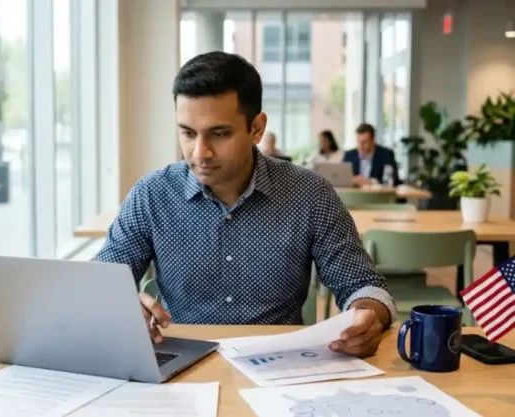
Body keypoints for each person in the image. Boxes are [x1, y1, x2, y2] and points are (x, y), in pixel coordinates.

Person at [94, 51, 396, 358]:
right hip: (180, 367)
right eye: (187, 133)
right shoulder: (151, 195)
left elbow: (364, 286)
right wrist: (119, 304)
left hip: (282, 367)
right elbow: (99, 284)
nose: (200, 153)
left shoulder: (310, 193)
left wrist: (368, 314)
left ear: (257, 128)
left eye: (219, 134)